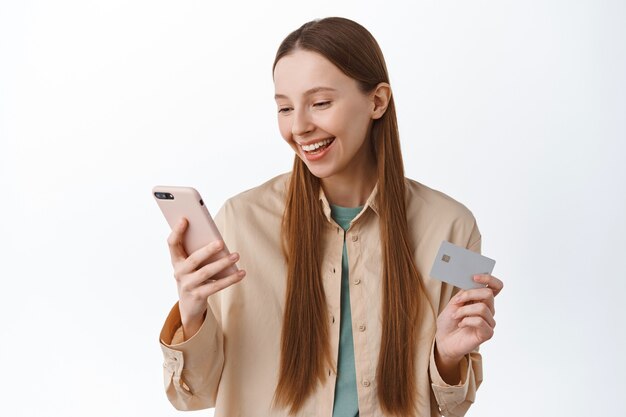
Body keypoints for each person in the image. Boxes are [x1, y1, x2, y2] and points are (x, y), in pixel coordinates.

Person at [158, 17, 503, 417]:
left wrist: (447, 355)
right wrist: (192, 312)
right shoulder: (241, 221)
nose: (299, 126)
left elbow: (454, 406)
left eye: (320, 103)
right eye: (285, 107)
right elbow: (192, 395)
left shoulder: (452, 226)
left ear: (377, 101)